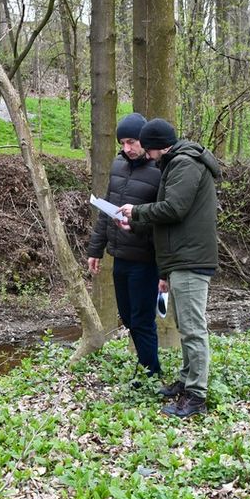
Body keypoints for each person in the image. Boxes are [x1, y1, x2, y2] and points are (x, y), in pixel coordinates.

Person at [117, 117, 221, 418]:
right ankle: (188, 381)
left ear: (159, 146)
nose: (146, 156)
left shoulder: (184, 164)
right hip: (180, 259)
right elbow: (169, 223)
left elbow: (174, 209)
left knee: (192, 329)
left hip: (191, 259)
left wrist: (137, 211)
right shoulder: (176, 163)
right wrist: (163, 271)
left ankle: (196, 396)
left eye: (148, 149)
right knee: (186, 326)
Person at [85, 113, 163, 381]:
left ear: (144, 140)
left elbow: (164, 217)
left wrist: (138, 222)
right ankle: (146, 367)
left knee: (142, 321)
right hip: (120, 256)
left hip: (146, 259)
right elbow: (106, 209)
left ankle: (150, 375)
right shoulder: (118, 165)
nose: (127, 148)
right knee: (129, 318)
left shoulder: (160, 169)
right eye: (123, 143)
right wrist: (95, 250)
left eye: (132, 142)